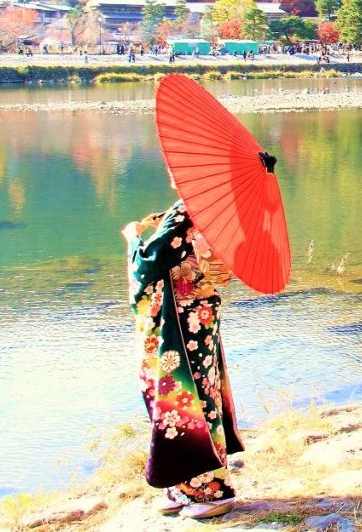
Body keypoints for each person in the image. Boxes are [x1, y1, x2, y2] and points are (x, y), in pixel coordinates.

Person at [122, 193, 244, 520]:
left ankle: (213, 491)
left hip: (179, 320)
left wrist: (133, 236)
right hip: (199, 313)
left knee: (185, 400)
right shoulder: (217, 206)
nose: (172, 174)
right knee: (197, 395)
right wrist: (169, 225)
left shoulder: (186, 208)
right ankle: (182, 487)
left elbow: (148, 263)